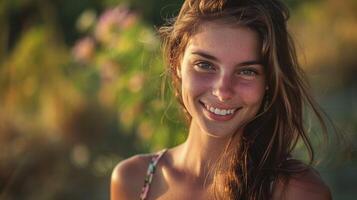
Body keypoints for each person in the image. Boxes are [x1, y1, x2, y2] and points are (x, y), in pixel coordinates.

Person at [111, 0, 333, 199]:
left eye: (247, 71)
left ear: (269, 80)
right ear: (176, 62)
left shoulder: (299, 193)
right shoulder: (133, 180)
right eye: (205, 65)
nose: (223, 91)